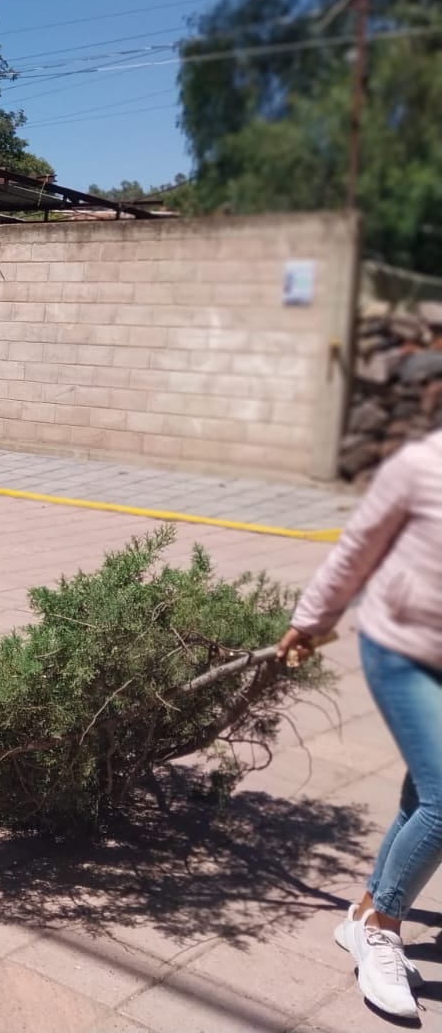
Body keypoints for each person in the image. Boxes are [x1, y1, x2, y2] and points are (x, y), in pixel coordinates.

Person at [278, 430, 442, 1019]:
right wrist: (310, 620)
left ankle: (363, 912)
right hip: (401, 651)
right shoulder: (421, 466)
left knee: (426, 790)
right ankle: (382, 931)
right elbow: (356, 547)